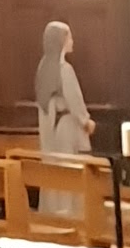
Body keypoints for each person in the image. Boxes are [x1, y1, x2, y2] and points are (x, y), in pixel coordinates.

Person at [35, 19, 95, 161]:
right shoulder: (64, 70)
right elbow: (74, 100)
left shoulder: (42, 69)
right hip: (66, 128)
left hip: (50, 128)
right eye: (69, 38)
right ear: (61, 41)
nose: (72, 41)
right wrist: (86, 121)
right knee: (69, 166)